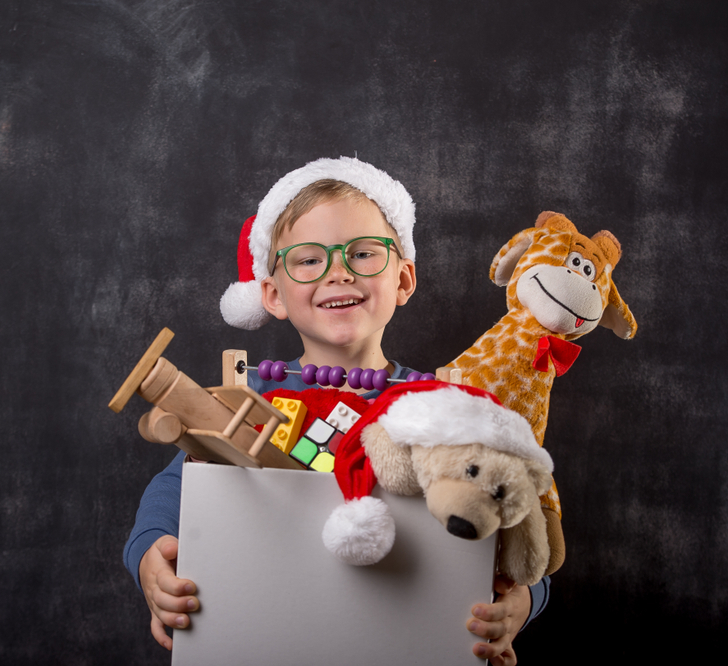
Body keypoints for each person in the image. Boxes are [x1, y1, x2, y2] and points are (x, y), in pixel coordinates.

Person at [123, 157, 549, 665]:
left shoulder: (448, 407)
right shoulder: (245, 394)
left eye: (364, 253)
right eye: (308, 260)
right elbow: (175, 492)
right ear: (273, 294)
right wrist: (150, 556)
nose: (338, 272)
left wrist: (524, 600)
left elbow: (519, 516)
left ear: (404, 280)